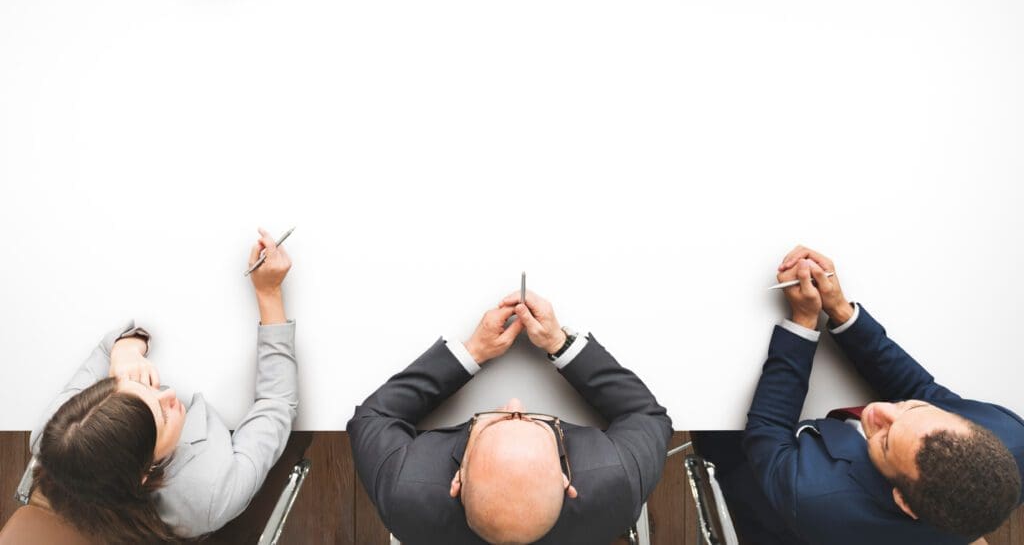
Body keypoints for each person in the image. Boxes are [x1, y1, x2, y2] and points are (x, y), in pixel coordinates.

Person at [710, 245, 1024, 545]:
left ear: (903, 500)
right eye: (913, 410)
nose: (877, 411)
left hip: (780, 499)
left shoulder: (815, 498)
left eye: (886, 440)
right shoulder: (1011, 435)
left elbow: (767, 429)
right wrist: (839, 310)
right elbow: (921, 390)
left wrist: (805, 321)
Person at [25, 229, 297, 544]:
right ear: (145, 472)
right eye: (162, 416)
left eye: (141, 389)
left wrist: (125, 349)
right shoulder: (209, 492)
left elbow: (107, 347)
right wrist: (269, 294)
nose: (169, 393)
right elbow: (277, 403)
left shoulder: (58, 436)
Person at [348, 289, 671, 544]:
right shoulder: (614, 483)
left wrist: (474, 350)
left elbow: (374, 418)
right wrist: (559, 343)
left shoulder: (407, 492)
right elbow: (646, 415)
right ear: (566, 481)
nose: (513, 401)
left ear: (458, 477)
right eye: (534, 421)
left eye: (495, 420)